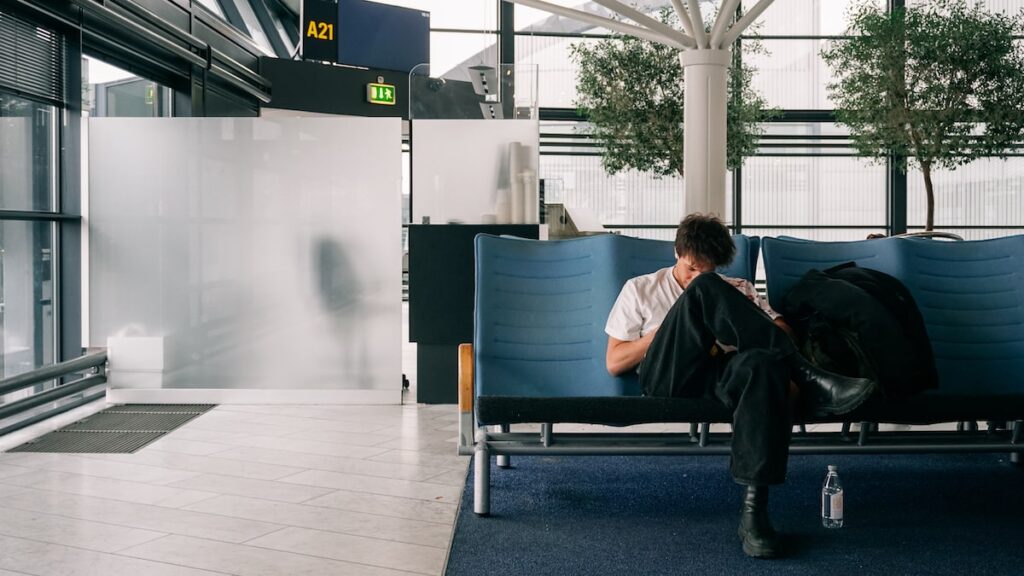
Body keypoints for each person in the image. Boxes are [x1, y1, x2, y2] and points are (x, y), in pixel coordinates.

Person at [604, 213, 877, 559]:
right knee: (702, 294)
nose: (697, 276)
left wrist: (743, 317)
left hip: (724, 375)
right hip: (670, 376)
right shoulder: (641, 288)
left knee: (764, 366)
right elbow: (614, 362)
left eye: (709, 270)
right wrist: (665, 330)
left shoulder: (737, 289)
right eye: (691, 269)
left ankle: (754, 514)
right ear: (676, 251)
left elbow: (784, 334)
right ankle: (809, 376)